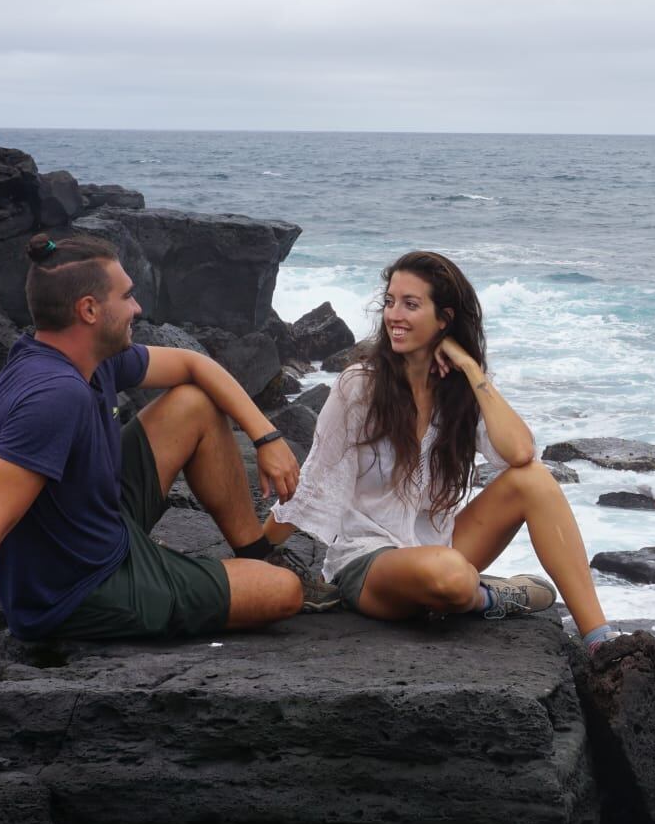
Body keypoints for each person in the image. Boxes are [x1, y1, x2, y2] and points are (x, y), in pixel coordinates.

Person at [0, 233, 316, 682]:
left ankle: (255, 552)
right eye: (127, 295)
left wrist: (267, 436)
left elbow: (195, 365)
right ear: (89, 310)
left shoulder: (81, 357)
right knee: (284, 593)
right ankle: (238, 574)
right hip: (78, 588)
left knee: (192, 405)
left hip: (99, 525)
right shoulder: (54, 398)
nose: (137, 308)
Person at [263, 250, 615, 651]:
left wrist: (472, 369)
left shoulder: (458, 391)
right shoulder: (359, 385)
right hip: (368, 563)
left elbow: (520, 454)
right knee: (449, 573)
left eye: (411, 304)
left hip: (439, 548)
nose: (394, 315)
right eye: (391, 302)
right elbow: (314, 481)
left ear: (444, 319)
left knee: (533, 481)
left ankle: (601, 641)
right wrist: (254, 552)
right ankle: (492, 598)